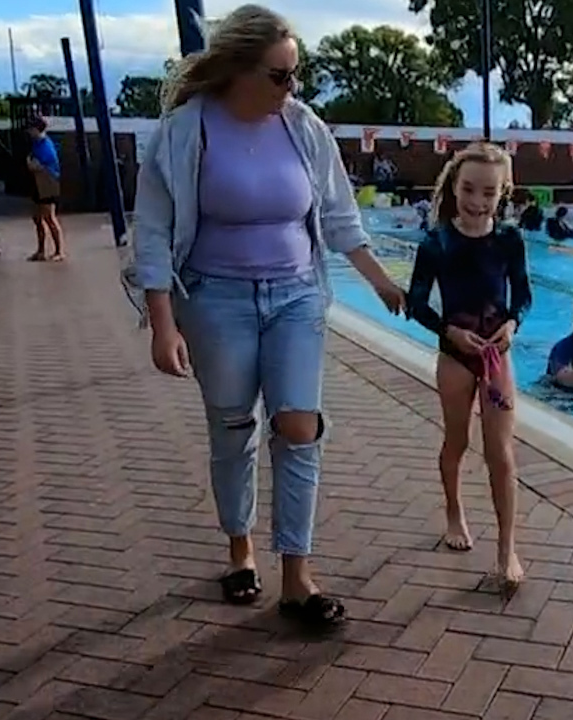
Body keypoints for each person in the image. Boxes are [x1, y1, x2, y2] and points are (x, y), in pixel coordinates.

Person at [128, 3, 407, 628]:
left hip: (296, 297)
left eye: (296, 75)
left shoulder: (303, 126)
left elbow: (338, 215)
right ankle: (240, 551)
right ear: (239, 69)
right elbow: (152, 231)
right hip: (215, 298)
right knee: (232, 430)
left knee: (299, 427)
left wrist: (382, 281)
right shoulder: (183, 131)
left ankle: (297, 578)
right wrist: (163, 321)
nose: (292, 88)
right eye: (280, 76)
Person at [406, 142, 531, 593]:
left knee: (501, 451)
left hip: (497, 354)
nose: (478, 202)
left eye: (489, 193)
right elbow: (417, 303)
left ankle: (506, 548)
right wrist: (448, 332)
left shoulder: (510, 240)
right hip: (456, 354)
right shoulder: (436, 241)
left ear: (504, 193)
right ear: (453, 187)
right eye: (469, 190)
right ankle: (454, 511)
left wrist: (514, 324)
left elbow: (523, 295)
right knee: (457, 440)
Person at [25, 117, 66, 261]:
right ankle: (41, 250)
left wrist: (33, 164)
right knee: (37, 218)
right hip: (37, 181)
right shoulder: (36, 144)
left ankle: (59, 251)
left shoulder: (46, 145)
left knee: (49, 217)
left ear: (37, 129)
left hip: (48, 182)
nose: (29, 132)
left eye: (31, 129)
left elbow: (40, 164)